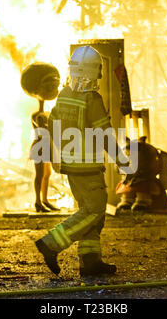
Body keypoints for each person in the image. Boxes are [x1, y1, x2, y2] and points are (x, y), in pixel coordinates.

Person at [34, 45, 125, 277]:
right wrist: (122, 160)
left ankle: (90, 261)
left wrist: (58, 155)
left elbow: (52, 125)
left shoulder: (64, 95)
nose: (101, 76)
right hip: (89, 167)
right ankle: (51, 244)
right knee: (94, 211)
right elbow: (105, 135)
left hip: (72, 168)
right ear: (93, 72)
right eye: (98, 71)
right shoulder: (92, 99)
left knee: (91, 213)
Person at [21, 63, 61, 212]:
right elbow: (44, 126)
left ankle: (44, 199)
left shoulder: (43, 112)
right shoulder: (37, 116)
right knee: (39, 175)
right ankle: (38, 201)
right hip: (40, 147)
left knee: (47, 174)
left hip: (47, 146)